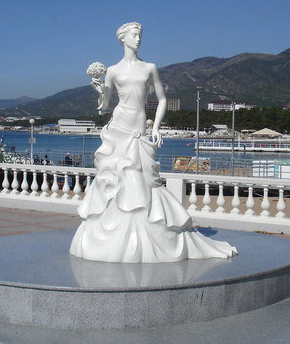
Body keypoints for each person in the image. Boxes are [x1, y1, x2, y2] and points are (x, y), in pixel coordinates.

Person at [69, 22, 237, 263]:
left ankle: (143, 237)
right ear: (123, 38)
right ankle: (114, 239)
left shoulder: (149, 68)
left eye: (140, 36)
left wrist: (155, 127)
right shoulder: (113, 71)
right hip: (118, 125)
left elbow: (161, 100)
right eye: (134, 35)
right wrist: (100, 89)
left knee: (139, 176)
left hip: (138, 126)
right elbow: (106, 104)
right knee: (115, 178)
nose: (138, 39)